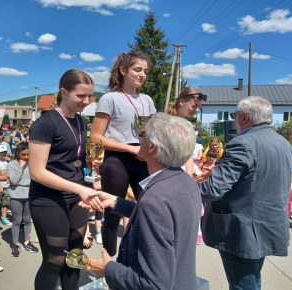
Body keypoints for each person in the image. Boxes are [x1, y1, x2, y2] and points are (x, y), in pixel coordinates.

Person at [82, 113, 202, 289]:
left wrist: (107, 268)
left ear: (152, 147)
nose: (138, 139)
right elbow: (165, 219)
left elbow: (153, 284)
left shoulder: (155, 198)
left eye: (142, 135)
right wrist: (117, 202)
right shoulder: (186, 182)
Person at [198, 96, 292, 289]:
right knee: (253, 281)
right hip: (267, 227)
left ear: (244, 117)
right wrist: (217, 172)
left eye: (234, 115)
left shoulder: (242, 143)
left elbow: (213, 189)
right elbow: (258, 178)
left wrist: (179, 187)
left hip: (243, 232)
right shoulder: (284, 144)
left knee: (244, 286)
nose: (233, 120)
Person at [28, 69, 103, 290]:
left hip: (76, 197)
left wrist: (89, 164)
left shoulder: (81, 121)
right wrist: (79, 188)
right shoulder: (46, 123)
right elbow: (37, 172)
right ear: (63, 91)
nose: (87, 101)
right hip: (48, 199)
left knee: (75, 257)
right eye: (81, 96)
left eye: (89, 96)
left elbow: (70, 158)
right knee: (55, 260)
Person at [90, 50, 156, 259]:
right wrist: (129, 148)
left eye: (145, 71)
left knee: (149, 210)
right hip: (117, 161)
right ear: (123, 70)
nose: (142, 75)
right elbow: (95, 137)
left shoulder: (147, 100)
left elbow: (150, 131)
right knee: (112, 216)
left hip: (142, 160)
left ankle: (144, 259)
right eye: (137, 69)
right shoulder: (110, 99)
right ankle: (108, 265)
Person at [7, 141, 38, 257]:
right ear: (18, 153)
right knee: (16, 220)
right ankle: (15, 243)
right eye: (23, 155)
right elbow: (14, 180)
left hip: (30, 194)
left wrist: (22, 183)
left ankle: (27, 241)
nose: (26, 157)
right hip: (16, 195)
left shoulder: (33, 163)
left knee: (27, 219)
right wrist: (20, 166)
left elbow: (35, 179)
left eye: (28, 155)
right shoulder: (12, 164)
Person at [167, 86, 206, 175]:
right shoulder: (166, 122)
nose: (197, 110)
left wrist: (189, 176)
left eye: (199, 107)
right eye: (194, 106)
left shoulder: (188, 125)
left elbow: (189, 156)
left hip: (182, 173)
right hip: (167, 172)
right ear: (182, 102)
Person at [0, 145, 11, 226]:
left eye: (5, 152)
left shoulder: (8, 162)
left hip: (7, 185)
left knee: (5, 202)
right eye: (1, 152)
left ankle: (3, 218)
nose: (3, 154)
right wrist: (6, 176)